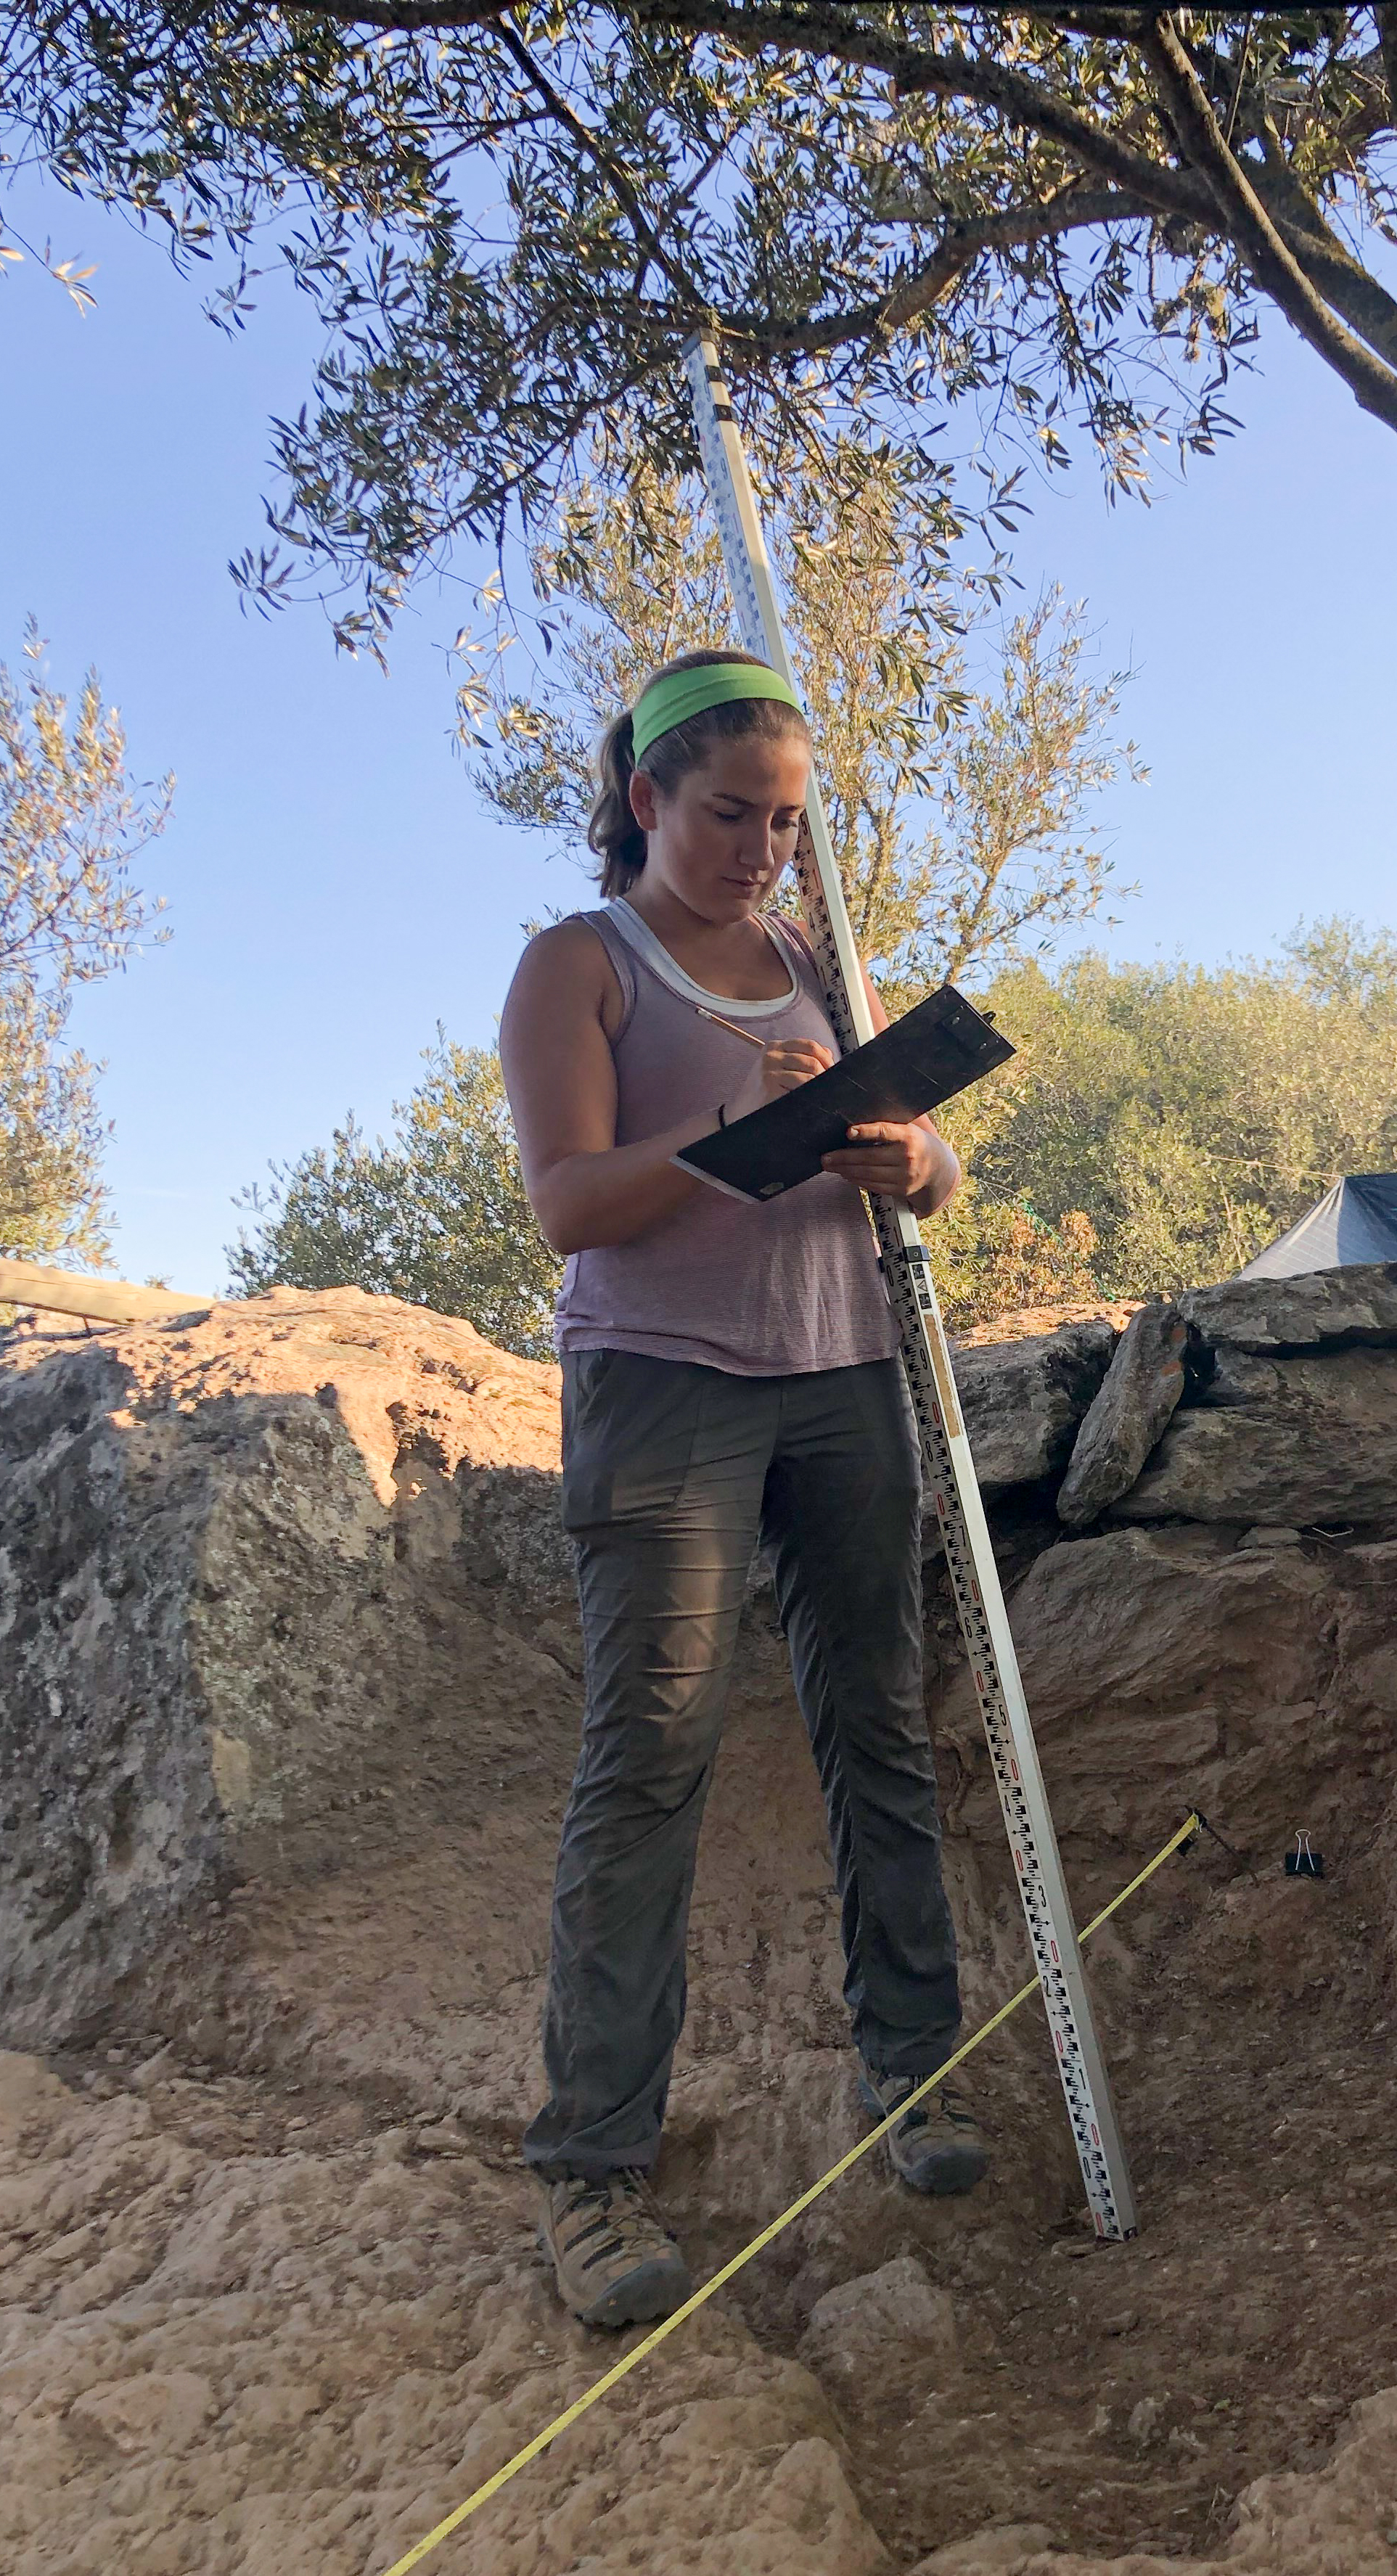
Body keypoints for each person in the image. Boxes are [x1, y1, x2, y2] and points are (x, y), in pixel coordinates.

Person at [499, 646, 987, 2330]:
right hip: (662, 1391)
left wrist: (894, 1149)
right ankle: (589, 2171)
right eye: (728, 816)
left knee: (885, 1723)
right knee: (653, 1758)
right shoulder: (580, 965)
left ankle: (916, 2072)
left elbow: (934, 1169)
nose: (760, 851)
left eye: (784, 821)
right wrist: (738, 1141)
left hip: (841, 1372)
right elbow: (568, 1203)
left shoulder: (813, 960)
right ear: (643, 801)